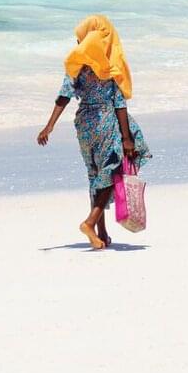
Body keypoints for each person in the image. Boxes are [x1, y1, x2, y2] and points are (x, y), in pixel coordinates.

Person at [37, 15, 151, 249]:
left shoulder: (77, 63)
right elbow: (119, 102)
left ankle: (102, 233)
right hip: (106, 120)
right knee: (113, 171)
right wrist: (126, 138)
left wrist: (49, 126)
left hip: (84, 124)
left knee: (95, 174)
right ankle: (89, 223)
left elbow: (64, 96)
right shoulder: (110, 63)